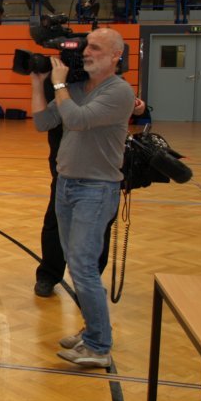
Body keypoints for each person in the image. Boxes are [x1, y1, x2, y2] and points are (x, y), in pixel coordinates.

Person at [31, 28, 134, 368]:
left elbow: (76, 120)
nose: (87, 52)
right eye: (87, 46)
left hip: (96, 189)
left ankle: (99, 346)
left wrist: (59, 84)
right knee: (79, 265)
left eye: (96, 48)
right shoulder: (76, 88)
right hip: (66, 185)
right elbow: (43, 122)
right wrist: (39, 83)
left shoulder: (119, 91)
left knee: (83, 267)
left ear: (116, 56)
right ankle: (93, 330)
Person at [33, 76, 146, 300]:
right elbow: (44, 120)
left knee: (98, 224)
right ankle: (49, 274)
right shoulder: (57, 75)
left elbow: (87, 112)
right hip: (66, 159)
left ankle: (89, 280)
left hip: (100, 164)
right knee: (55, 220)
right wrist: (45, 81)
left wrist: (135, 104)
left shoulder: (111, 82)